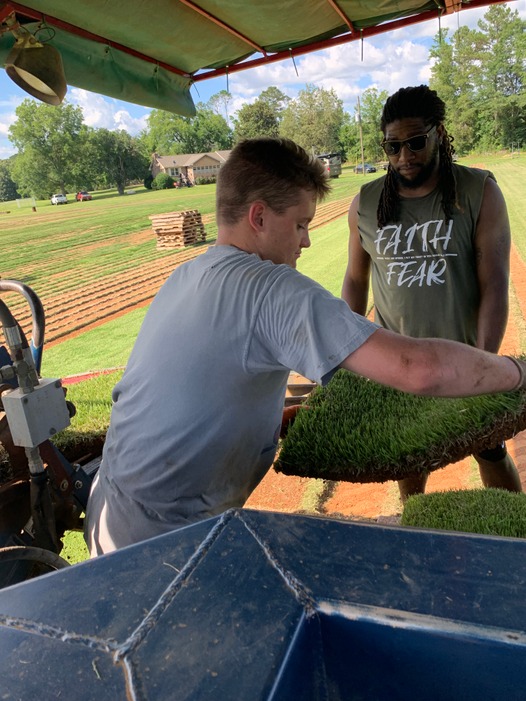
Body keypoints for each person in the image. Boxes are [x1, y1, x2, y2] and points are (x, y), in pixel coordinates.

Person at [85, 136, 525, 556]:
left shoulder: (186, 276)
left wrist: (270, 422)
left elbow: (192, 394)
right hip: (168, 540)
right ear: (258, 217)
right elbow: (416, 367)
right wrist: (517, 372)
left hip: (110, 515)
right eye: (299, 224)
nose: (306, 240)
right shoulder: (270, 290)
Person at [341, 85, 522, 502]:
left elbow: (495, 283)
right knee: (410, 459)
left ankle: (518, 539)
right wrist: (345, 354)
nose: (404, 157)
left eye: (416, 142)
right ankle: (416, 540)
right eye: (393, 147)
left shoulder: (478, 192)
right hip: (398, 364)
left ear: (439, 133)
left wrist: (484, 363)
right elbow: (354, 280)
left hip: (463, 357)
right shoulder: (366, 204)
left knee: (490, 450)